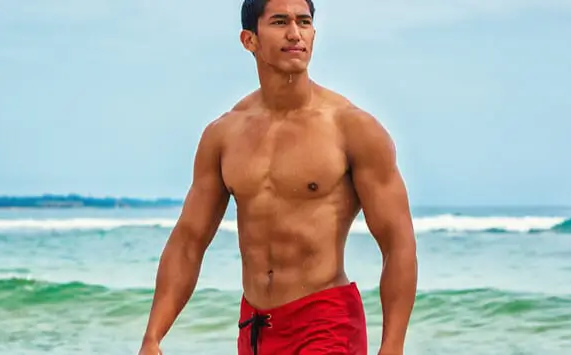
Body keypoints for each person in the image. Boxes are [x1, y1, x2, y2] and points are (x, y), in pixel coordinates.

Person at [138, 0, 418, 354]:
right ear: (249, 40)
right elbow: (189, 241)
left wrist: (392, 347)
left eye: (304, 22)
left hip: (326, 323)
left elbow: (398, 242)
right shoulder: (224, 135)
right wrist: (153, 337)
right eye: (280, 22)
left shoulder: (351, 128)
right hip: (256, 328)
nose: (294, 33)